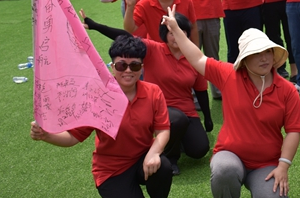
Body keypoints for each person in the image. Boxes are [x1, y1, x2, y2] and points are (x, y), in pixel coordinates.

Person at [163, 7, 300, 198]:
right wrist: (176, 30)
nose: (264, 58)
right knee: (224, 170)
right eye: (256, 54)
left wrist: (283, 166)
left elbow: (293, 130)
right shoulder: (229, 75)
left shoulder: (287, 90)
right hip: (231, 154)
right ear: (244, 59)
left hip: (266, 162)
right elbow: (197, 58)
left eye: (267, 52)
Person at [29, 35, 175, 198]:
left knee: (163, 166)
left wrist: (154, 152)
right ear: (112, 67)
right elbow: (73, 137)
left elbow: (163, 129)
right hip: (111, 168)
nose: (128, 71)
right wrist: (46, 136)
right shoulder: (98, 96)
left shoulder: (153, 92)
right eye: (121, 65)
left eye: (134, 65)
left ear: (142, 68)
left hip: (142, 158)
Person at [81, 10, 213, 176]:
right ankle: (170, 157)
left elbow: (201, 90)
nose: (175, 37)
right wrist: (95, 26)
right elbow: (124, 37)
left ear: (186, 34)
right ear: (164, 35)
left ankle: (175, 139)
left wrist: (207, 117)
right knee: (176, 120)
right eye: (171, 33)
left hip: (187, 110)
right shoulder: (153, 49)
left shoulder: (193, 57)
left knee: (199, 149)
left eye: (180, 32)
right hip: (157, 108)